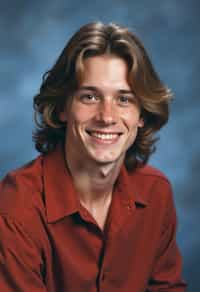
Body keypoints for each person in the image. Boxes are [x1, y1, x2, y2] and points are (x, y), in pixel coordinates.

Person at [0, 22, 187, 291]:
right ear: (63, 107)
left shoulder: (155, 192)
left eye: (124, 99)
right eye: (89, 97)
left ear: (142, 115)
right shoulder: (16, 208)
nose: (107, 117)